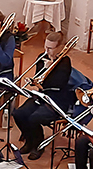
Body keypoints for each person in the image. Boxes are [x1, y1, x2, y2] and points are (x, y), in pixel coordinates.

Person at [12, 32, 72, 160]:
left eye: (50, 48)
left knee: (34, 118)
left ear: (59, 48)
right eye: (46, 47)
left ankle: (38, 145)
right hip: (41, 95)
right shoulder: (42, 57)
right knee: (19, 114)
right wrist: (37, 77)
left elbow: (58, 84)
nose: (47, 50)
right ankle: (29, 141)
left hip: (57, 99)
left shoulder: (65, 61)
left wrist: (49, 70)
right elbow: (39, 80)